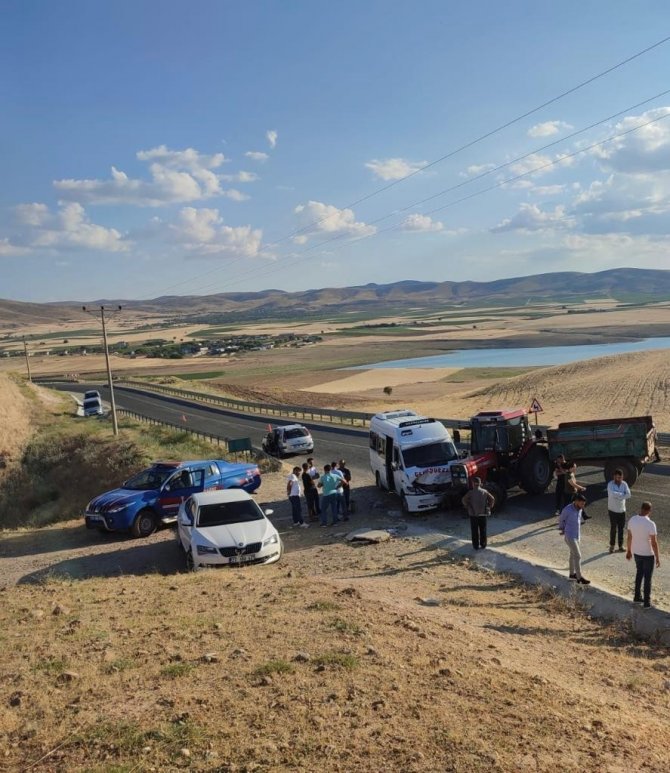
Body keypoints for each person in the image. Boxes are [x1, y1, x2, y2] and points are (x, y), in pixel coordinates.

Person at [626, 501, 660, 609]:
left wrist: (629, 551)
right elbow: (654, 543)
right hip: (648, 554)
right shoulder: (650, 524)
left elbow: (629, 537)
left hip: (636, 552)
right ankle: (646, 602)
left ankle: (636, 597)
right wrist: (657, 557)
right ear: (649, 511)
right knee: (647, 578)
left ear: (641, 508)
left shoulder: (632, 519)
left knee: (639, 574)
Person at [558, 493, 591, 584]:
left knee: (572, 555)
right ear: (576, 501)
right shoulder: (567, 509)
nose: (583, 506)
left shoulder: (579, 509)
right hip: (570, 536)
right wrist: (562, 528)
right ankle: (579, 577)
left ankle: (572, 574)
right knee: (578, 555)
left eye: (584, 504)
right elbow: (561, 519)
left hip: (577, 535)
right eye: (581, 504)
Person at [461, 477, 495, 550]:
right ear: (480, 484)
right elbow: (492, 499)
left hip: (473, 515)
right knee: (483, 529)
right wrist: (489, 507)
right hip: (483, 514)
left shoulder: (470, 492)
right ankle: (483, 545)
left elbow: (463, 500)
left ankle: (475, 546)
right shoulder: (485, 491)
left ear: (473, 484)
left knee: (474, 530)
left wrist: (468, 506)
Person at [607, 468, 632, 553]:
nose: (618, 479)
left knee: (621, 529)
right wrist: (622, 495)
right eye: (617, 477)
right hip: (612, 510)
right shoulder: (610, 484)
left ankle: (620, 546)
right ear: (614, 477)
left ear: (622, 477)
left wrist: (618, 495)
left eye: (620, 477)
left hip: (622, 510)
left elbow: (629, 495)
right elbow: (611, 493)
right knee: (613, 529)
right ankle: (612, 546)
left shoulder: (624, 484)